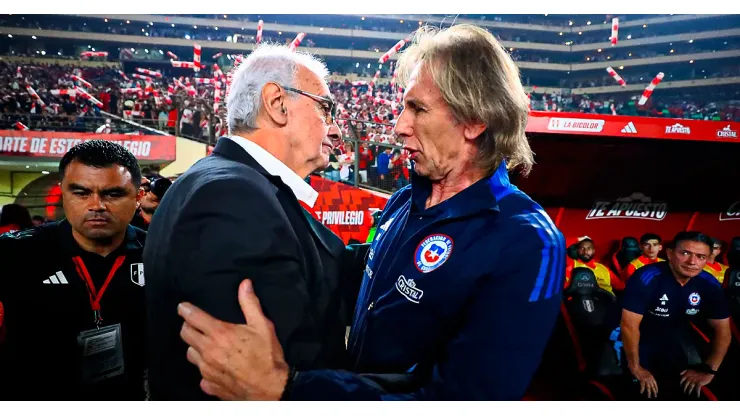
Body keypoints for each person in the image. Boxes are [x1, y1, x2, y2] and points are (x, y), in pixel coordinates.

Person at [177, 24, 565, 400]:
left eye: (417, 108)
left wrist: (289, 391)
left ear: (474, 120)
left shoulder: (527, 239)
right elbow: (358, 282)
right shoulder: (403, 200)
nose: (399, 126)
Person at [143, 44, 350, 400]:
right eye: (325, 109)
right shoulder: (231, 195)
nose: (334, 130)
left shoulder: (237, 184)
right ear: (277, 103)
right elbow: (273, 370)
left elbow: (329, 265)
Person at [0, 140, 148, 400]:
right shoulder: (15, 255)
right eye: (81, 192)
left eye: (112, 194)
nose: (96, 205)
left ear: (138, 197)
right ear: (63, 193)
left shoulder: (159, 253)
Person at [621, 232, 731, 400]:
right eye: (685, 253)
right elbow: (629, 326)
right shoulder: (647, 277)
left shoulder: (709, 283)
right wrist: (636, 368)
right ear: (670, 253)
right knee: (642, 388)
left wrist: (710, 370)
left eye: (701, 256)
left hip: (674, 332)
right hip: (635, 332)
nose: (692, 262)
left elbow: (722, 330)